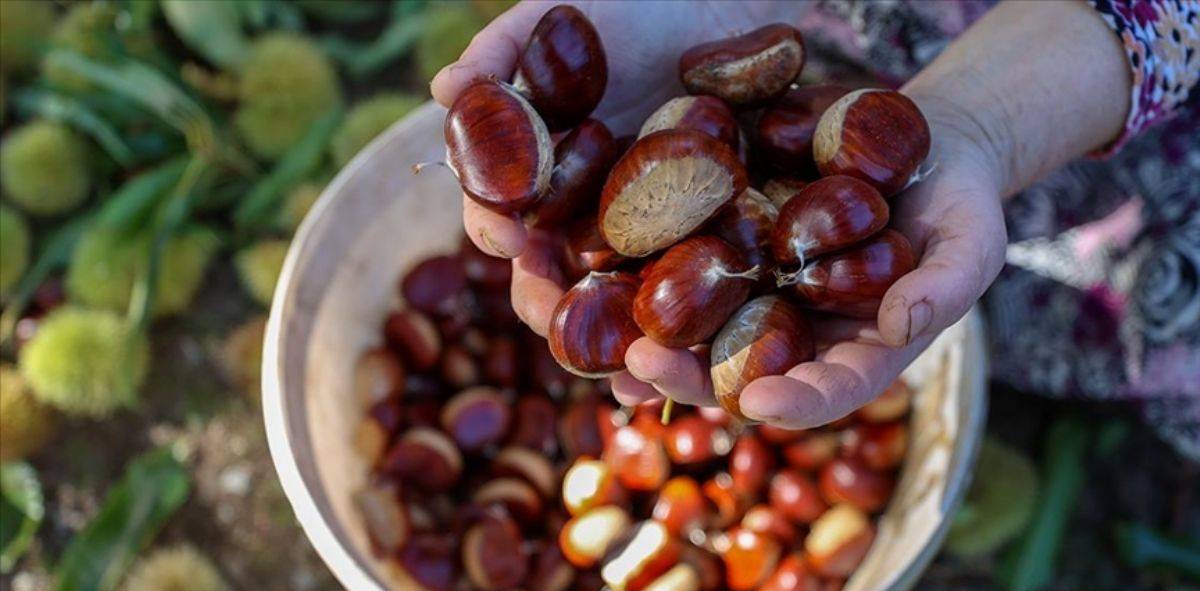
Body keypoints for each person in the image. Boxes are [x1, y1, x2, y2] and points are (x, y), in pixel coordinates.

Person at [431, 0, 1200, 457]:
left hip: (1090, 88)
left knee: (1118, 307)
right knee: (915, 277)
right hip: (828, 38)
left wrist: (984, 127)